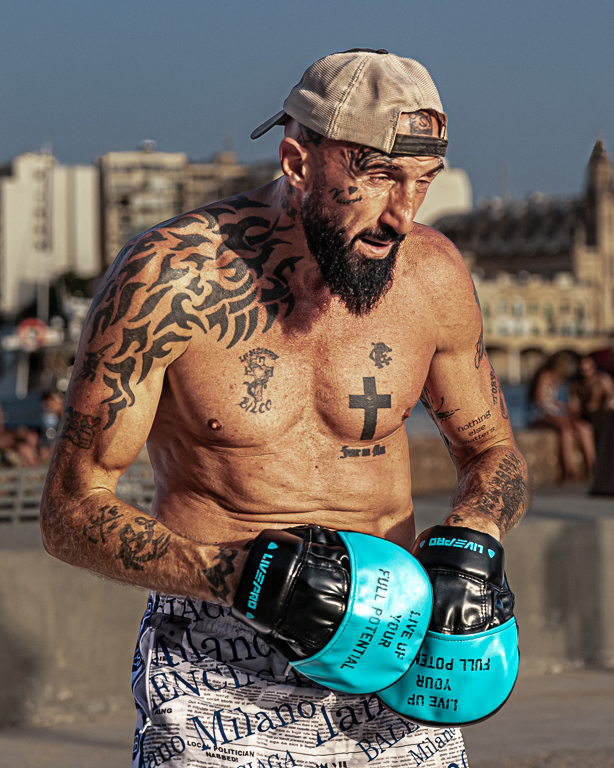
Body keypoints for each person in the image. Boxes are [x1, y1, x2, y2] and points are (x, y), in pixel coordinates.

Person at [40, 49, 528, 768]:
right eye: (378, 177)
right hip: (220, 661)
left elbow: (493, 452)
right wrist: (240, 578)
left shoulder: (431, 277)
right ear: (298, 162)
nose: (402, 214)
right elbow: (69, 511)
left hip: (392, 650)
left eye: (422, 183)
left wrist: (475, 534)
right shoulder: (169, 281)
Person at [529, 351, 595, 480]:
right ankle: (569, 469)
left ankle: (592, 466)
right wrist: (554, 416)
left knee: (582, 426)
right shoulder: (545, 376)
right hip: (539, 416)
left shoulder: (555, 378)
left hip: (553, 413)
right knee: (566, 428)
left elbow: (551, 401)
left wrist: (566, 408)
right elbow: (539, 401)